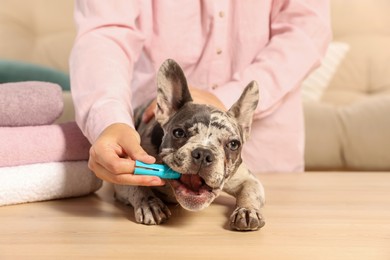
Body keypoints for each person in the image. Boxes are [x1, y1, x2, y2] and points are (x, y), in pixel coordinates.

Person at [70, 1, 332, 186]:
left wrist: (223, 101)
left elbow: (306, 31)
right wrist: (109, 121)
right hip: (150, 157)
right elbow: (104, 33)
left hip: (267, 162)